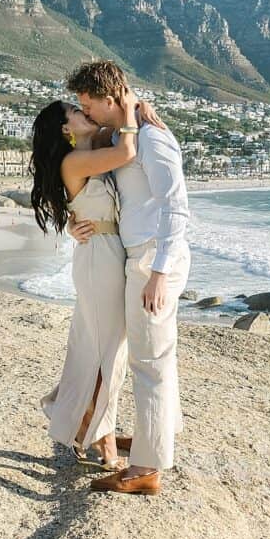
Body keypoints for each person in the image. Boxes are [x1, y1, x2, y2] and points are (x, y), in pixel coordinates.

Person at [66, 60, 190, 496]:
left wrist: (158, 272)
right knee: (156, 359)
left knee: (149, 363)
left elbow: (177, 208)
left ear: (111, 97)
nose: (87, 112)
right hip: (137, 255)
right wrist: (73, 222)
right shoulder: (122, 136)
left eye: (88, 104)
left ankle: (145, 469)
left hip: (153, 258)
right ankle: (156, 439)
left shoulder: (153, 140)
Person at [29, 96, 163, 470]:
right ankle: (104, 446)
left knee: (98, 349)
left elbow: (118, 120)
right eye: (75, 112)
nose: (83, 112)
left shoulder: (94, 145)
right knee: (109, 354)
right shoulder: (75, 161)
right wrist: (132, 109)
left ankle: (80, 420)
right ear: (65, 130)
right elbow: (127, 150)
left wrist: (139, 105)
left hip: (109, 253)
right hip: (99, 259)